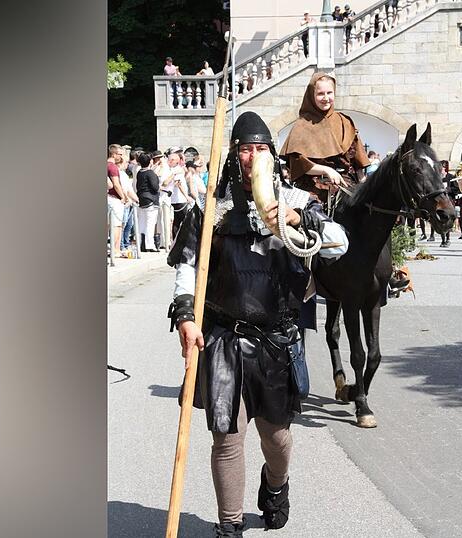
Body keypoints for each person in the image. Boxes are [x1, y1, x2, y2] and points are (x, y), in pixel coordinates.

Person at [168, 112, 348, 537]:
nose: (253, 157)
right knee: (226, 439)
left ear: (272, 155)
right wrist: (185, 317)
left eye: (261, 148)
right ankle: (229, 525)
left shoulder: (299, 204)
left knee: (277, 440)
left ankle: (276, 484)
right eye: (245, 148)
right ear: (235, 154)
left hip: (274, 341)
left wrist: (298, 220)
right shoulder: (210, 207)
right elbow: (187, 268)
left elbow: (340, 245)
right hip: (224, 339)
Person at [281, 72, 371, 205]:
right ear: (312, 96)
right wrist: (327, 170)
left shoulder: (344, 122)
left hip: (347, 192)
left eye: (329, 93)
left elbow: (358, 166)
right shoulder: (301, 126)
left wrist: (365, 190)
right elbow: (298, 165)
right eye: (320, 94)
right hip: (312, 194)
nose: (326, 98)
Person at [135, 152, 161, 252]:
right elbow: (155, 187)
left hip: (141, 199)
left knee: (142, 222)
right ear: (150, 161)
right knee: (150, 223)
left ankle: (141, 243)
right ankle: (149, 245)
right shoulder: (150, 173)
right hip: (151, 199)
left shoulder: (139, 173)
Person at [106, 144, 129, 258]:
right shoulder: (112, 167)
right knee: (117, 225)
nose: (121, 157)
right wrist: (123, 197)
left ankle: (116, 249)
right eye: (120, 154)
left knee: (113, 224)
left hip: (109, 198)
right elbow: (116, 184)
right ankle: (115, 250)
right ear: (114, 154)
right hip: (114, 199)